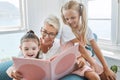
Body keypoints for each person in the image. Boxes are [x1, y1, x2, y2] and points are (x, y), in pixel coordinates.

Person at [60, 0, 116, 80]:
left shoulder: (86, 29)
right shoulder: (66, 28)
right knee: (95, 77)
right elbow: (81, 48)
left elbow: (96, 48)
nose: (70, 21)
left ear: (80, 15)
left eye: (73, 17)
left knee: (109, 77)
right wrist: (93, 64)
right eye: (67, 19)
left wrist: (106, 68)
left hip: (85, 59)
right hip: (73, 61)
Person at [6, 15, 61, 80]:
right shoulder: (31, 42)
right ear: (41, 29)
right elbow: (15, 64)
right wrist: (13, 73)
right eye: (44, 31)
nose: (46, 36)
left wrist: (44, 52)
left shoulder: (59, 46)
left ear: (56, 34)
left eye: (51, 34)